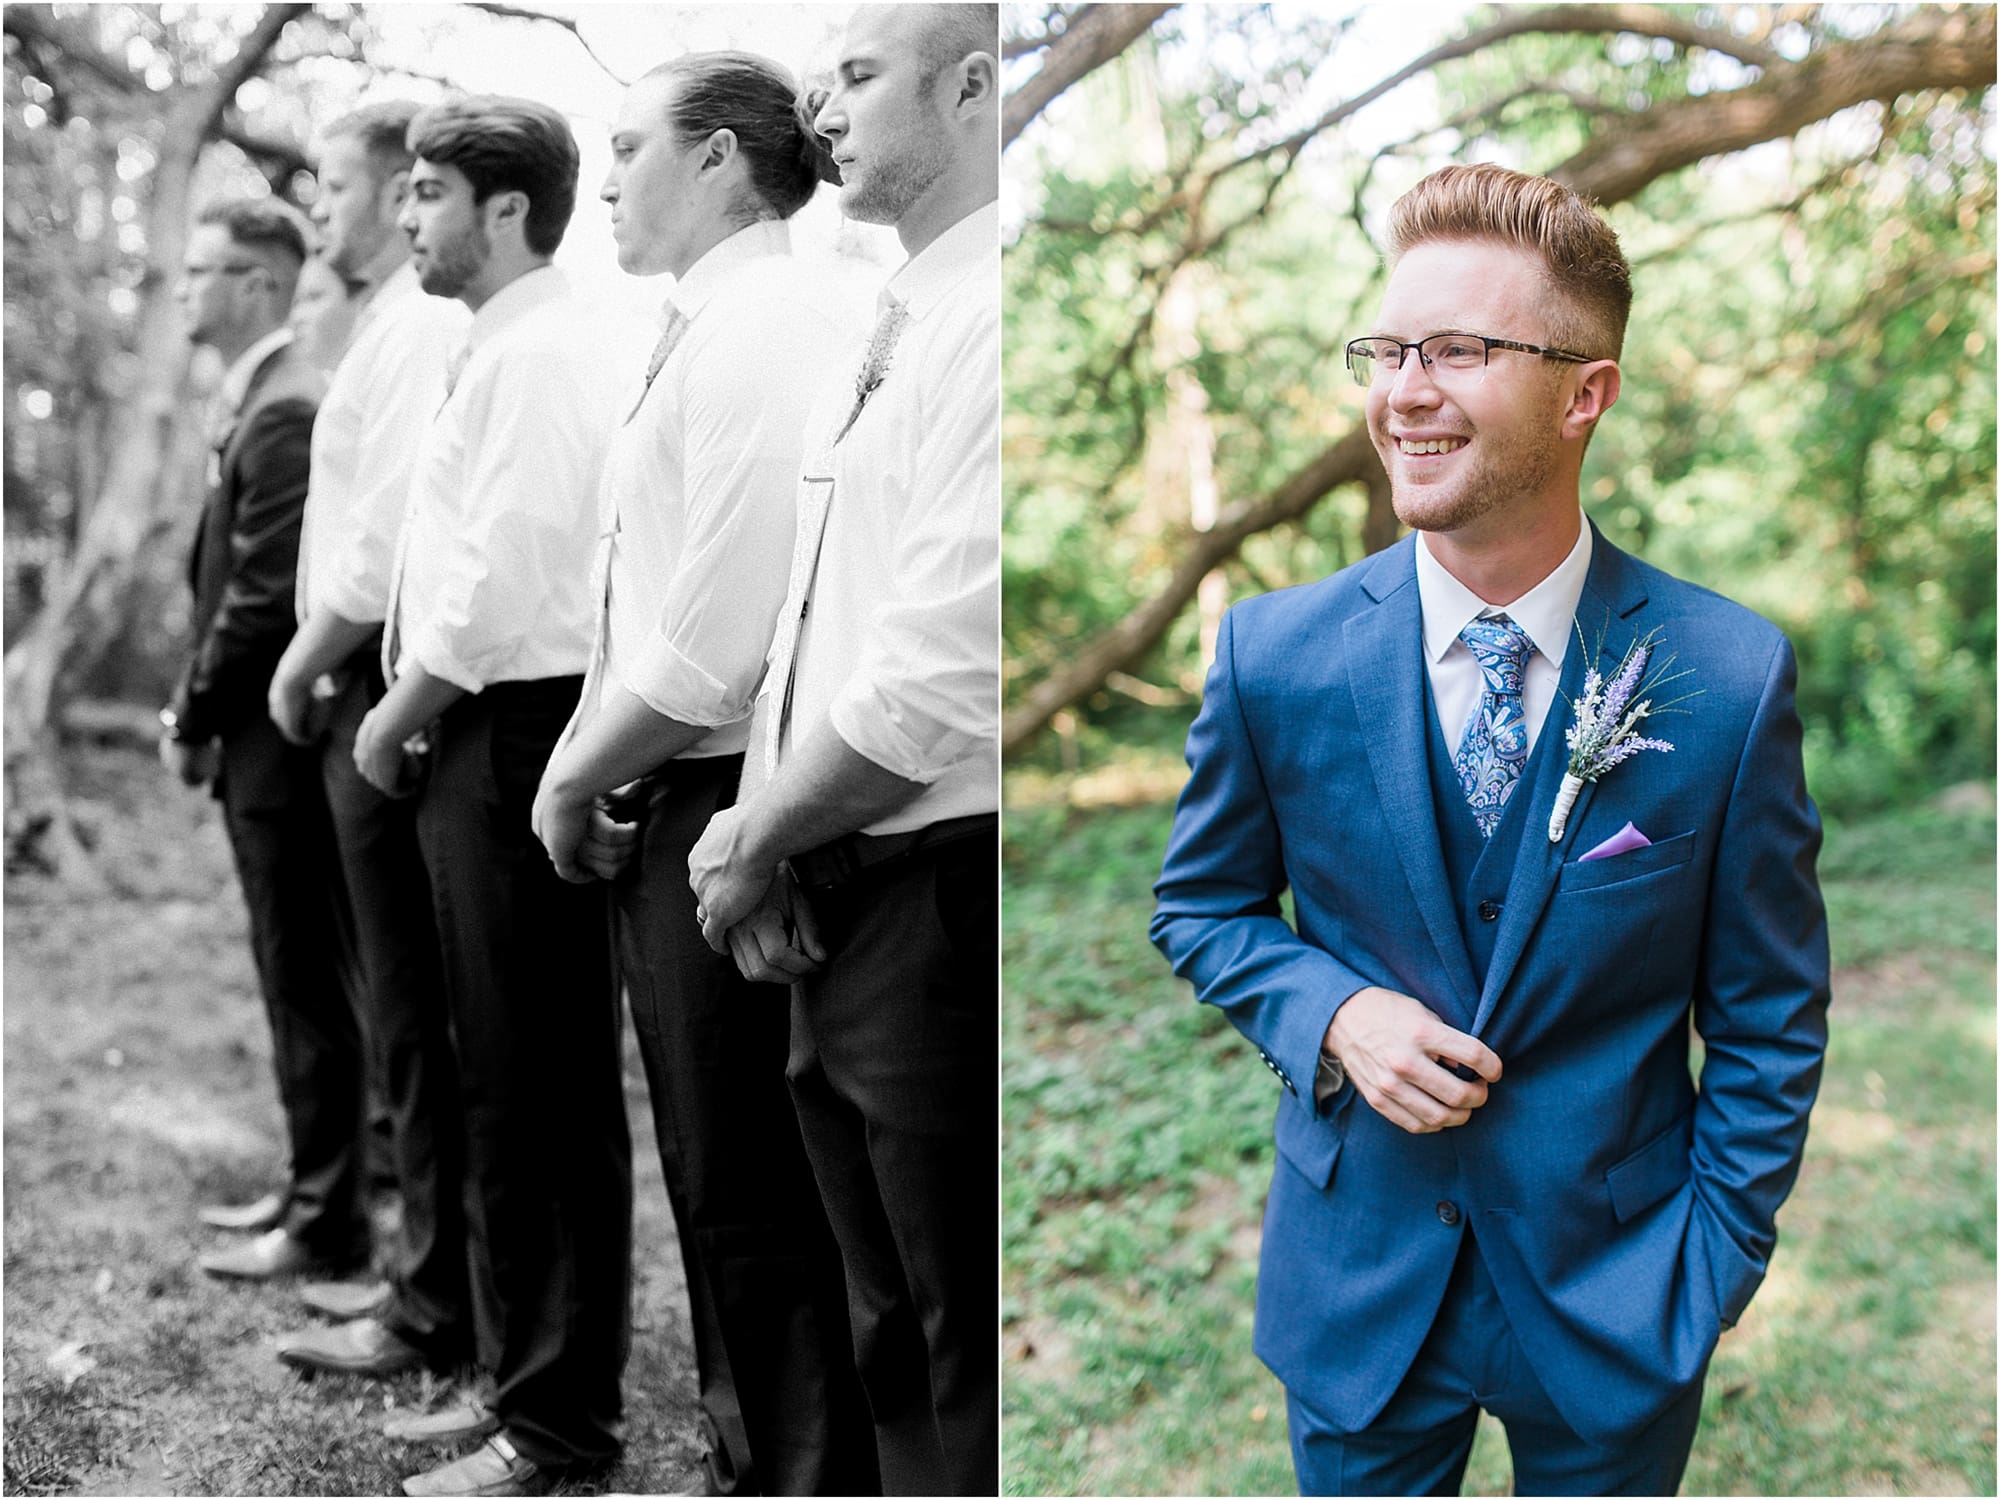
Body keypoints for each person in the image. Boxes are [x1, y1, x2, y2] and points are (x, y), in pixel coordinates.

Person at [1151, 164, 1831, 1496]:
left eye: (1459, 350)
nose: (1404, 389)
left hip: (1618, 1287)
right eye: (1390, 347)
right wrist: (1334, 1015)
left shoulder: (1727, 675)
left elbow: (1769, 1010)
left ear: (1586, 392)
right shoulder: (1273, 654)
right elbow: (1202, 907)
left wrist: (1713, 1260)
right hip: (1360, 1287)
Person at [529, 53, 874, 1498]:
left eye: (626, 148)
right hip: (679, 784)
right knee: (716, 1171)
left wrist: (563, 782)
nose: (603, 181)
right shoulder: (709, 320)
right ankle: (755, 1454)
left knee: (752, 1191)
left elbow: (713, 643)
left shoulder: (774, 320)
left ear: (723, 158)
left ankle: (797, 1471)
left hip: (737, 791)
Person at [685, 6, 1001, 1493]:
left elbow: (936, 678)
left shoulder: (996, 314)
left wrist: (755, 838)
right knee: (887, 1328)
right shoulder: (899, 309)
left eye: (860, 74)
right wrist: (777, 825)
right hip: (845, 878)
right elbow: (823, 621)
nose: (824, 101)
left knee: (958, 1341)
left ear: (974, 84)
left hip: (933, 894)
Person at [344, 96, 632, 1499]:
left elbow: (505, 570)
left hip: (513, 733)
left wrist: (398, 711)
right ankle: (520, 1387)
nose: (407, 220)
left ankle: (560, 1423)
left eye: (425, 194)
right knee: (499, 1075)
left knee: (540, 1084)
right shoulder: (501, 344)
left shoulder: (547, 351)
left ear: (502, 209)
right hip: (487, 734)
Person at [264, 100, 480, 1399]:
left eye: (337, 184)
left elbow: (385, 531)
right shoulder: (387, 324)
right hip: (355, 688)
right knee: (406, 1023)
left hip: (375, 691)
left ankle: (431, 1303)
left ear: (402, 190)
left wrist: (302, 661)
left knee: (419, 1025)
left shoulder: (419, 327)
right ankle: (421, 1283)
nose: (323, 210)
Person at [161, 198, 368, 1283]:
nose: (184, 289)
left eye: (201, 270)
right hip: (259, 742)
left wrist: (188, 715)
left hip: (277, 744)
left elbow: (258, 602)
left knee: (306, 979)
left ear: (254, 283)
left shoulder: (287, 406)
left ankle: (330, 1216)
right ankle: (310, 1185)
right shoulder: (257, 397)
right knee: (292, 974)